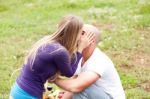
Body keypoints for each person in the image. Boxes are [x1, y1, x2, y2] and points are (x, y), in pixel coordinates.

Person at [10, 15, 94, 99]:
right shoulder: (60, 51)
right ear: (75, 34)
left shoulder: (48, 40)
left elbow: (62, 68)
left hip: (19, 89)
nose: (82, 37)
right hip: (27, 95)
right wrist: (80, 49)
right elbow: (69, 73)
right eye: (81, 33)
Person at [54, 24, 126, 99]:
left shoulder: (99, 60)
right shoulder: (80, 58)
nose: (76, 36)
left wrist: (54, 79)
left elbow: (75, 87)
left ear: (92, 40)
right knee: (79, 86)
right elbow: (72, 87)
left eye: (82, 33)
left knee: (82, 88)